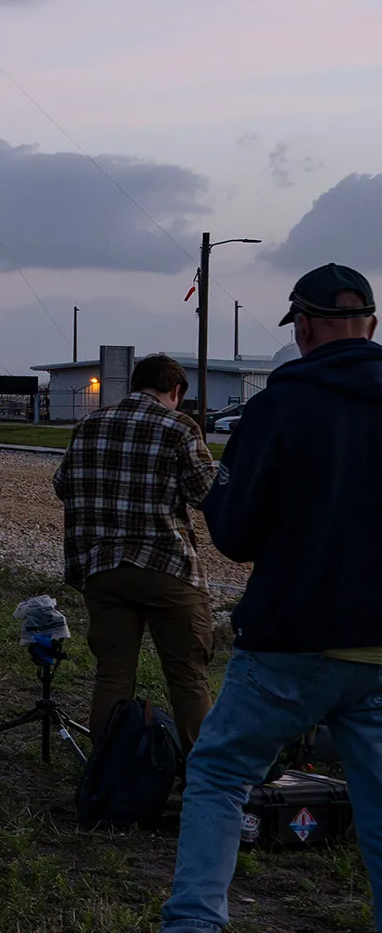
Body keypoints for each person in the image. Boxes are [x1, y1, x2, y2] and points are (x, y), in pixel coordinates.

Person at [160, 265, 382, 933]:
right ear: (371, 326)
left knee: (221, 772)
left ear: (304, 326)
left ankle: (195, 922)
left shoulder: (278, 405)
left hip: (290, 641)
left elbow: (234, 532)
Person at [51, 352, 218, 750]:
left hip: (103, 569)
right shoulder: (180, 427)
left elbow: (63, 485)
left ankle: (109, 774)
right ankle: (202, 778)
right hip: (166, 567)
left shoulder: (89, 423)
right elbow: (206, 495)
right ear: (175, 390)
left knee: (112, 674)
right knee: (187, 675)